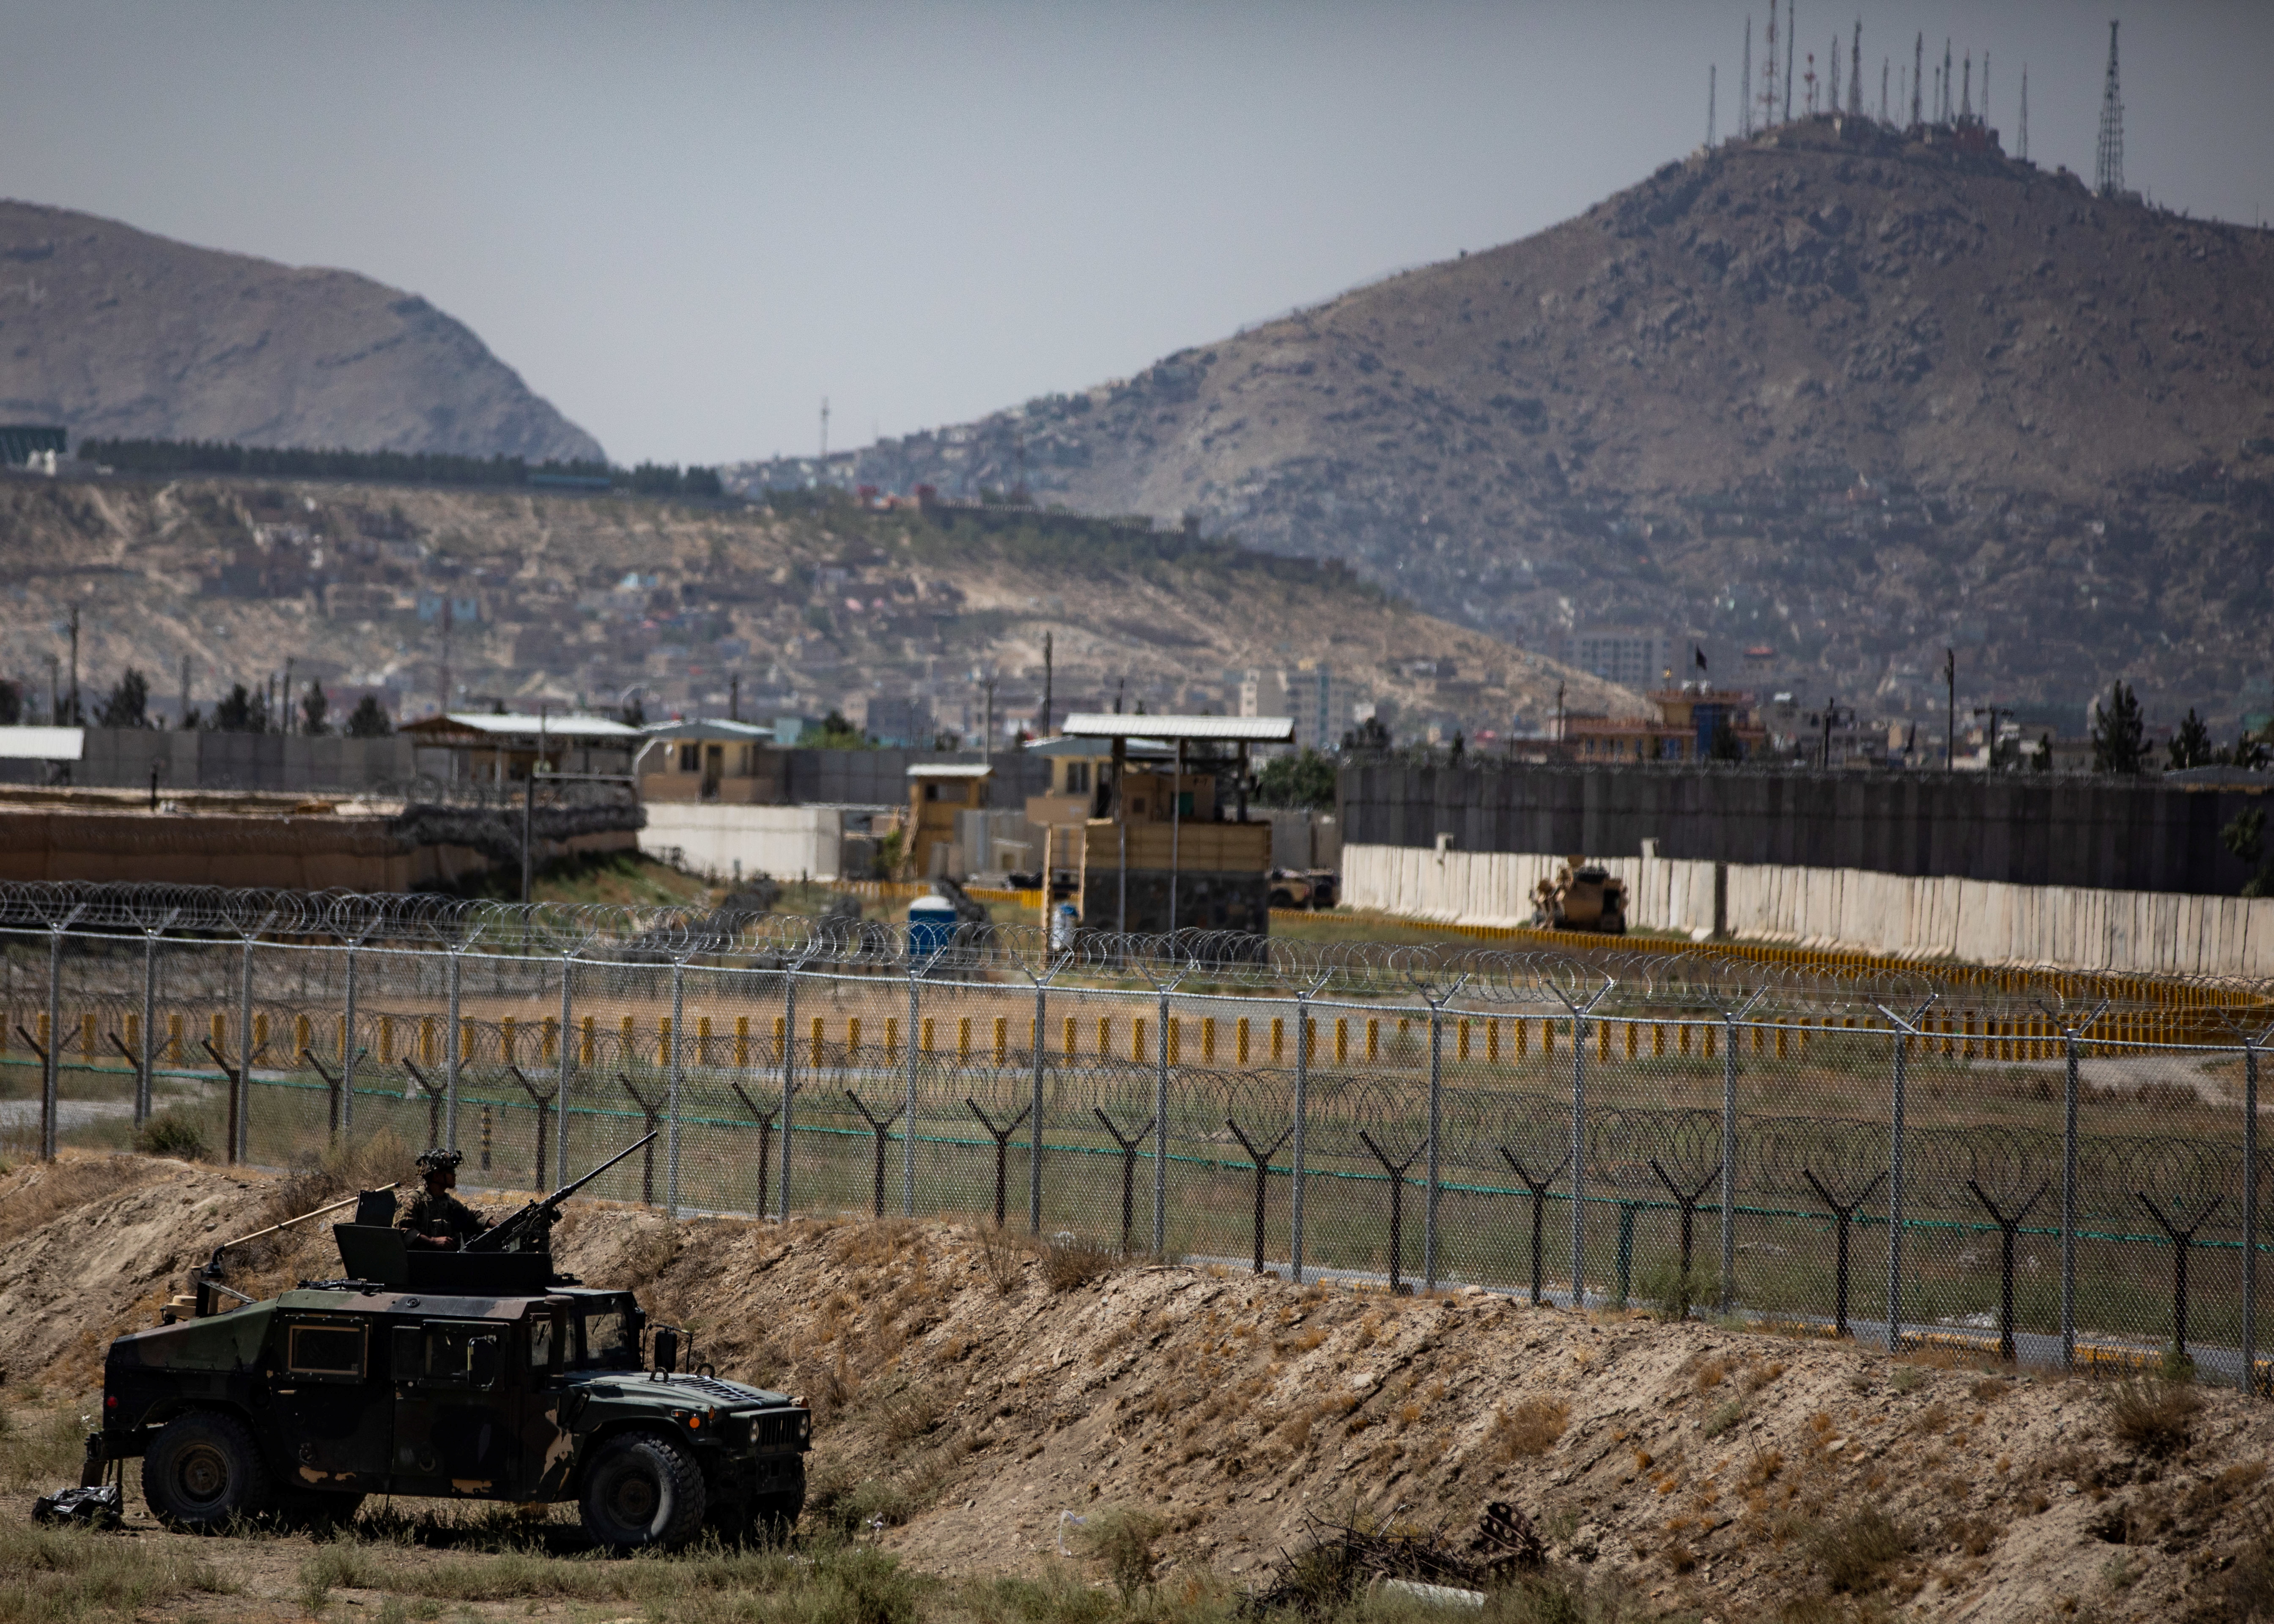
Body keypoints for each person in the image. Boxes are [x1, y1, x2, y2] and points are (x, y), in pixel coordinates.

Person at [398, 1148, 493, 1252]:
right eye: (450, 1171)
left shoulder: (449, 1202)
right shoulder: (413, 1200)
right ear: (437, 1176)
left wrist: (501, 1227)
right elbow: (403, 1231)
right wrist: (433, 1241)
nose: (454, 1175)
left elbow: (472, 1217)